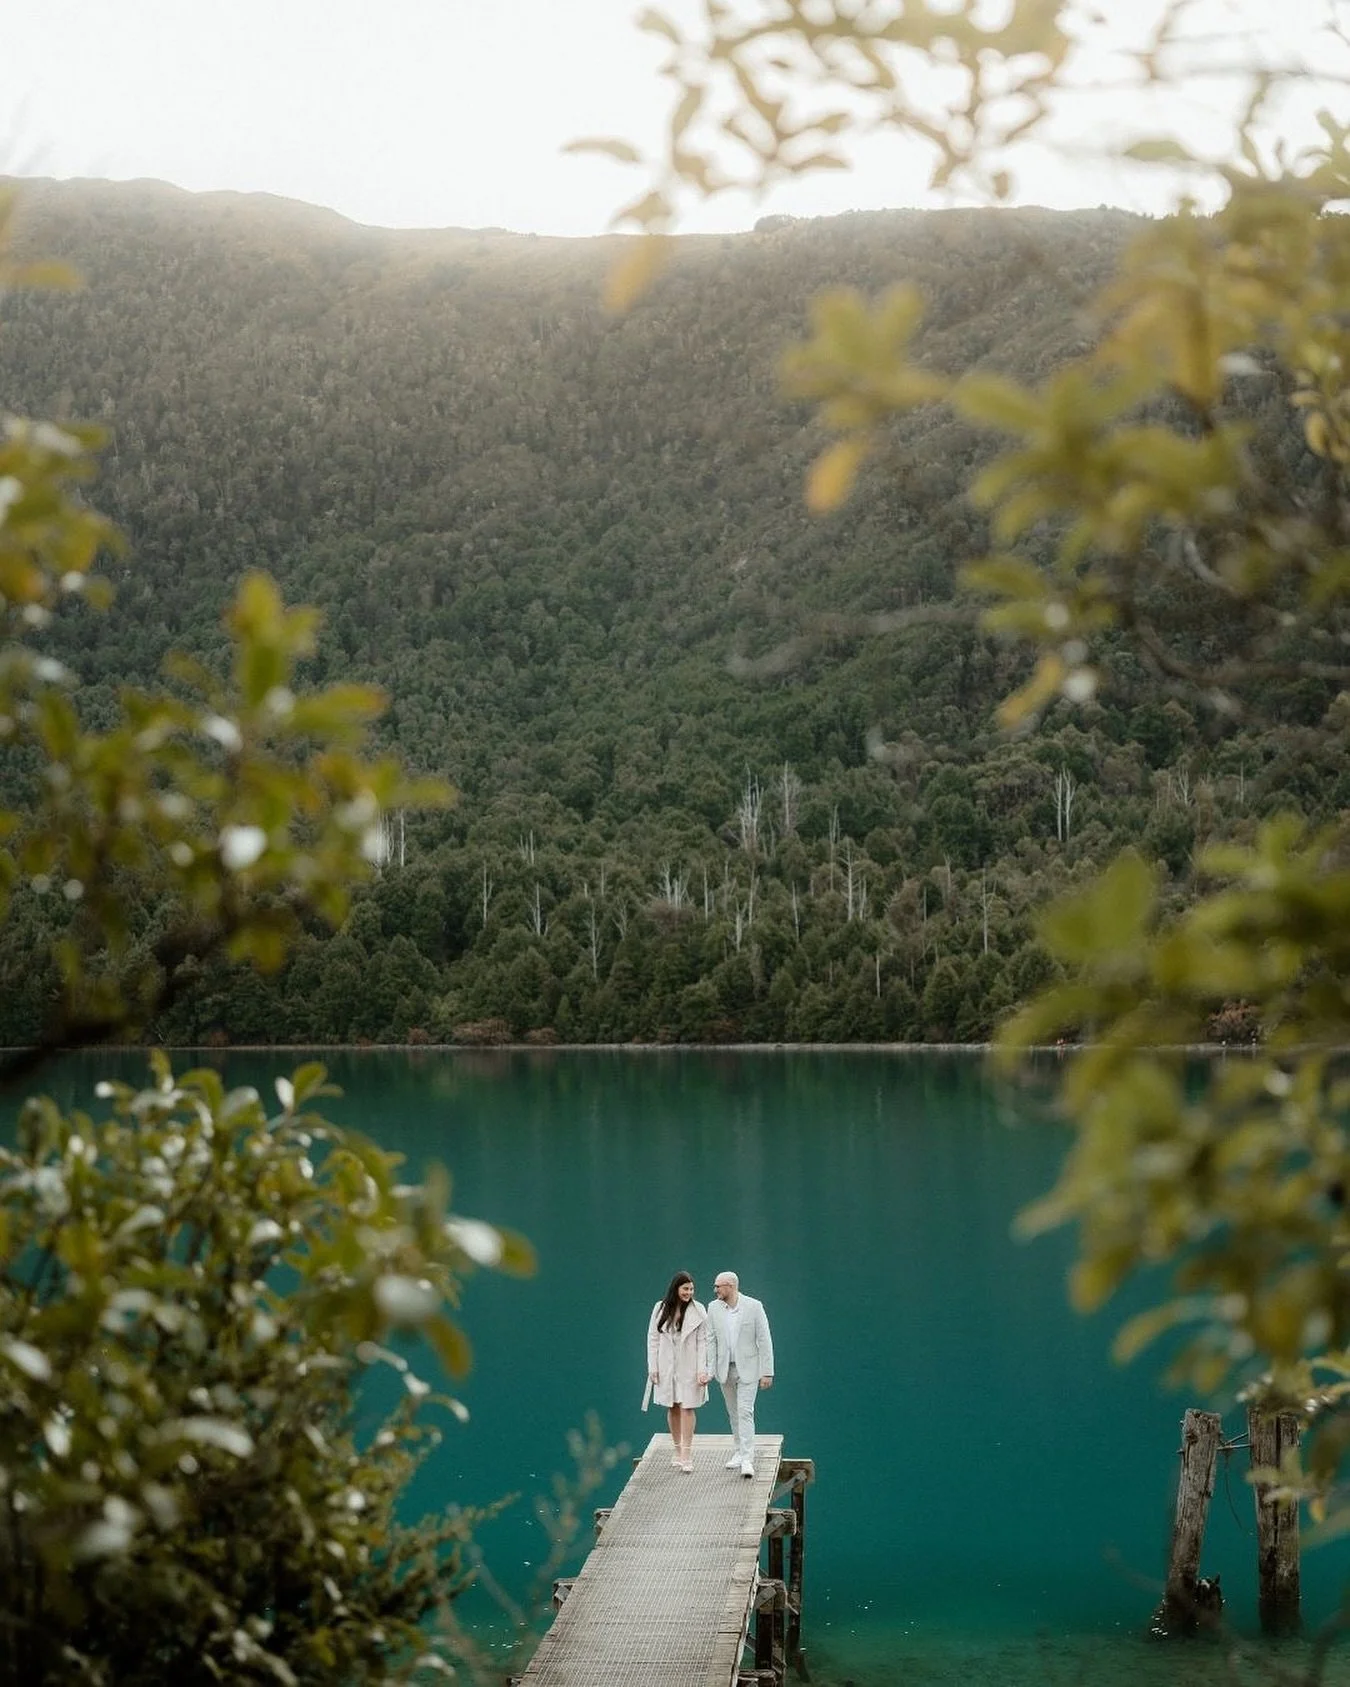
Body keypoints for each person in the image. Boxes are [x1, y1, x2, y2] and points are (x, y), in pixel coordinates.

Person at [706, 1270, 774, 1477]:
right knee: (733, 1411)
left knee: (745, 1411)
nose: (715, 1289)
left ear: (731, 1286)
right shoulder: (713, 1308)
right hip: (725, 1368)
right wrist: (710, 1369)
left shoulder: (754, 1306)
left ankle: (747, 1459)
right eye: (715, 1286)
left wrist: (767, 1372)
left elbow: (764, 1339)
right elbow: (711, 1340)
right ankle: (738, 1450)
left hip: (749, 1368)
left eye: (719, 1286)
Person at [647, 1271, 709, 1474]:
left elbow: (703, 1343)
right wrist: (653, 1368)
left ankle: (687, 1454)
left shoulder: (698, 1310)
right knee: (672, 1406)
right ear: (676, 1288)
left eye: (691, 1289)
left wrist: (702, 1370)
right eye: (685, 1289)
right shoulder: (660, 1308)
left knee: (688, 1406)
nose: (689, 1293)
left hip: (689, 1366)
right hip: (667, 1366)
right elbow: (653, 1339)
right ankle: (677, 1448)